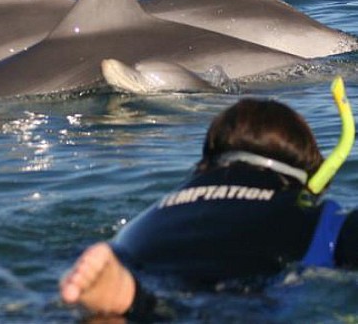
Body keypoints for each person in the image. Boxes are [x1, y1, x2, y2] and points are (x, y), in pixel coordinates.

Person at [60, 89, 358, 319]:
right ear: (314, 171)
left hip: (140, 270)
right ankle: (136, 302)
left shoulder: (157, 212)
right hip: (240, 302)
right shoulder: (320, 218)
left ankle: (129, 301)